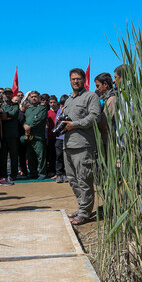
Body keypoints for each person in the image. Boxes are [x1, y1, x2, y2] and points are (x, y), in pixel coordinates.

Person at [61, 68, 101, 225]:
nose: (75, 81)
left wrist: (75, 124)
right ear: (69, 81)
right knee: (72, 179)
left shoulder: (91, 97)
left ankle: (85, 213)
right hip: (68, 145)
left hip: (83, 145)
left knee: (84, 179)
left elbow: (95, 117)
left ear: (84, 80)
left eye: (78, 79)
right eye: (73, 79)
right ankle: (82, 206)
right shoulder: (68, 100)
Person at [23, 90, 48, 180]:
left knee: (41, 156)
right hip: (29, 136)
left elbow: (39, 119)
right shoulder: (28, 109)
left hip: (38, 136)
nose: (34, 98)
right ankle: (33, 173)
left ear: (39, 97)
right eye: (32, 96)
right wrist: (24, 125)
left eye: (35, 96)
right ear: (29, 97)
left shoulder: (42, 108)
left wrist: (29, 126)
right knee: (30, 156)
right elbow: (24, 120)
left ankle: (42, 173)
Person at [0, 87, 20, 182]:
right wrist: (5, 116)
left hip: (13, 135)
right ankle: (3, 174)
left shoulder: (15, 106)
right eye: (5, 94)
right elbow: (0, 116)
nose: (7, 95)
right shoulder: (1, 106)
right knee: (3, 156)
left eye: (9, 94)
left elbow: (13, 114)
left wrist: (4, 115)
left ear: (12, 95)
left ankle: (14, 174)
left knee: (14, 156)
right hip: (3, 135)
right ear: (3, 95)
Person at [94, 72, 117, 153]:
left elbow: (105, 121)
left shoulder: (112, 99)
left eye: (98, 86)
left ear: (105, 84)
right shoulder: (104, 98)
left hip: (108, 141)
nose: (97, 89)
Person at [54, 95, 69, 182]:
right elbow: (57, 123)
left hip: (68, 137)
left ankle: (67, 174)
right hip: (60, 138)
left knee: (67, 157)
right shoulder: (59, 111)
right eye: (62, 104)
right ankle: (59, 174)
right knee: (59, 156)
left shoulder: (71, 110)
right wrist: (60, 114)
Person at [46, 95, 59, 177]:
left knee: (58, 155)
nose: (52, 104)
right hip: (50, 137)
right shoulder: (48, 113)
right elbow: (47, 125)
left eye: (54, 102)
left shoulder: (60, 111)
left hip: (59, 137)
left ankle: (59, 172)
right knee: (51, 155)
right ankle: (52, 171)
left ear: (56, 102)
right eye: (51, 102)